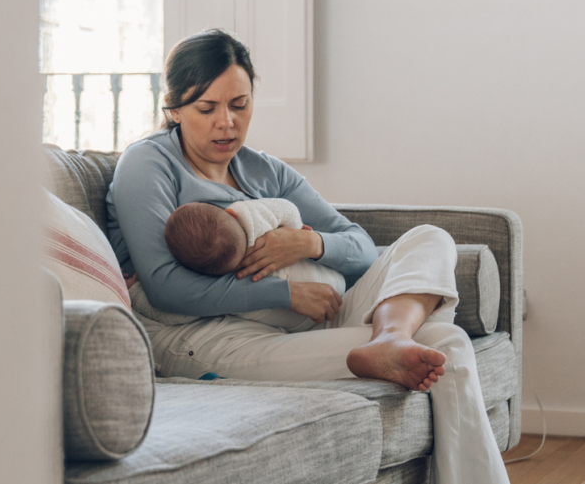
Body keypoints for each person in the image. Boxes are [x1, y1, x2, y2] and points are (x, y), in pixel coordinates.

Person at [105, 28, 509, 484]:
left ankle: (389, 336)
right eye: (207, 108)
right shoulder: (148, 164)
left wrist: (310, 244)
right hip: (212, 335)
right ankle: (390, 343)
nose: (227, 123)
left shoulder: (263, 169)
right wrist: (287, 292)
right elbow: (163, 286)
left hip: (317, 311)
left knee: (431, 238)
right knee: (445, 344)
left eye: (239, 105)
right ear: (174, 108)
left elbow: (358, 246)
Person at [164, 198, 346, 332]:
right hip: (331, 283)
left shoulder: (219, 286)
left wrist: (138, 295)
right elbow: (288, 209)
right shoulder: (248, 214)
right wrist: (297, 232)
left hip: (302, 322)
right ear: (230, 212)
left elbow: (174, 312)